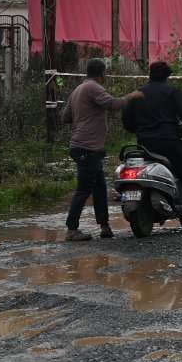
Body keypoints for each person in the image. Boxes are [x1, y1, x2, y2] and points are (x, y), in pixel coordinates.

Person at [62, 58, 143, 241]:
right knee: (83, 189)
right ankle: (71, 229)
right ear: (102, 73)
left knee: (99, 188)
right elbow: (113, 105)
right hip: (87, 147)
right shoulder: (93, 87)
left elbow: (65, 116)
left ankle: (104, 226)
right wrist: (131, 96)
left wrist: (83, 116)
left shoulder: (78, 90)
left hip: (85, 146)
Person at [122, 61, 182, 231]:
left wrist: (140, 129)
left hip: (144, 145)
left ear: (150, 74)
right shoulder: (171, 92)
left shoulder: (137, 95)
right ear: (167, 76)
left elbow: (127, 123)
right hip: (169, 143)